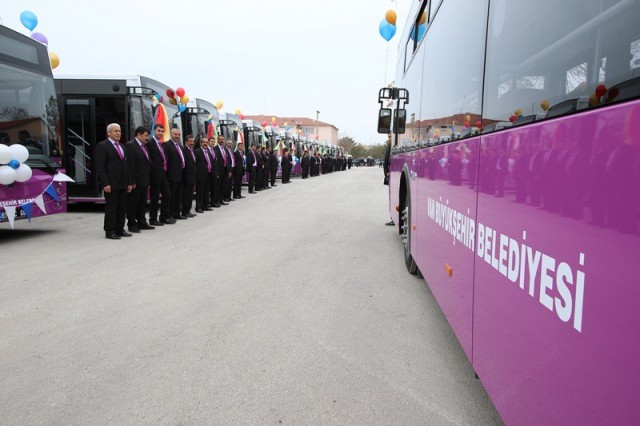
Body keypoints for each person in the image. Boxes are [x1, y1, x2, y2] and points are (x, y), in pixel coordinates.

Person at [95, 123, 132, 239]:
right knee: (112, 208)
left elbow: (126, 166)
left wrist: (129, 182)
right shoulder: (103, 146)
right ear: (109, 133)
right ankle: (110, 231)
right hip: (111, 183)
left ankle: (120, 229)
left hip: (122, 183)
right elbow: (100, 167)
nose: (118, 133)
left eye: (119, 131)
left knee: (122, 207)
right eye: (115, 131)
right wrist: (105, 183)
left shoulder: (122, 146)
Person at [125, 126, 153, 233]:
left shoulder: (144, 147)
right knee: (133, 204)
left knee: (142, 204)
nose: (147, 138)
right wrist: (131, 182)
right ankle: (132, 224)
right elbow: (130, 166)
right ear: (138, 135)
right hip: (135, 182)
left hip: (144, 180)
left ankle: (142, 222)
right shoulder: (131, 146)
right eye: (146, 136)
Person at [148, 124, 172, 225]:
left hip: (163, 174)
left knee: (167, 195)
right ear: (154, 131)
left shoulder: (160, 144)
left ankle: (164, 217)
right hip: (154, 175)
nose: (161, 133)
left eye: (162, 131)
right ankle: (153, 219)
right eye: (159, 131)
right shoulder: (150, 143)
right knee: (154, 198)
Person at [164, 127, 186, 220]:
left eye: (178, 134)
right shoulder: (167, 145)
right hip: (171, 176)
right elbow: (165, 161)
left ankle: (177, 213)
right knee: (171, 197)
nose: (177, 136)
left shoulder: (180, 146)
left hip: (180, 175)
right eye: (175, 134)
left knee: (178, 196)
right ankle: (170, 214)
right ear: (171, 134)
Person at [194, 137, 212, 213]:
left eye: (206, 142)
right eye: (204, 142)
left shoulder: (209, 152)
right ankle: (198, 207)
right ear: (201, 143)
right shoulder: (197, 151)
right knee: (200, 192)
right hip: (200, 175)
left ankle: (206, 205)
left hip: (208, 175)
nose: (205, 144)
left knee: (206, 191)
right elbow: (195, 164)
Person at [181, 134, 197, 217]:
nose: (192, 143)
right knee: (185, 195)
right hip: (186, 177)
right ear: (186, 142)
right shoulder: (183, 150)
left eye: (193, 141)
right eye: (190, 141)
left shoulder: (193, 151)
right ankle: (184, 212)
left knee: (190, 195)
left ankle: (188, 211)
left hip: (192, 176)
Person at [213, 135, 230, 205]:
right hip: (219, 170)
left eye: (222, 139)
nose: (221, 141)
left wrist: (229, 171)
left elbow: (228, 160)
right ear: (218, 140)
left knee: (223, 186)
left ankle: (221, 200)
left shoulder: (225, 149)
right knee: (217, 187)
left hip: (225, 170)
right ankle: (216, 201)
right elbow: (214, 162)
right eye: (220, 139)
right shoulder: (215, 149)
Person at [384, 137, 394, 226]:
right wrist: (386, 172)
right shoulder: (389, 145)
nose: (390, 138)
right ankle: (393, 217)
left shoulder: (396, 144)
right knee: (392, 196)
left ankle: (394, 217)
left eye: (391, 136)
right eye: (389, 137)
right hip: (390, 173)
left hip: (395, 173)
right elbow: (386, 160)